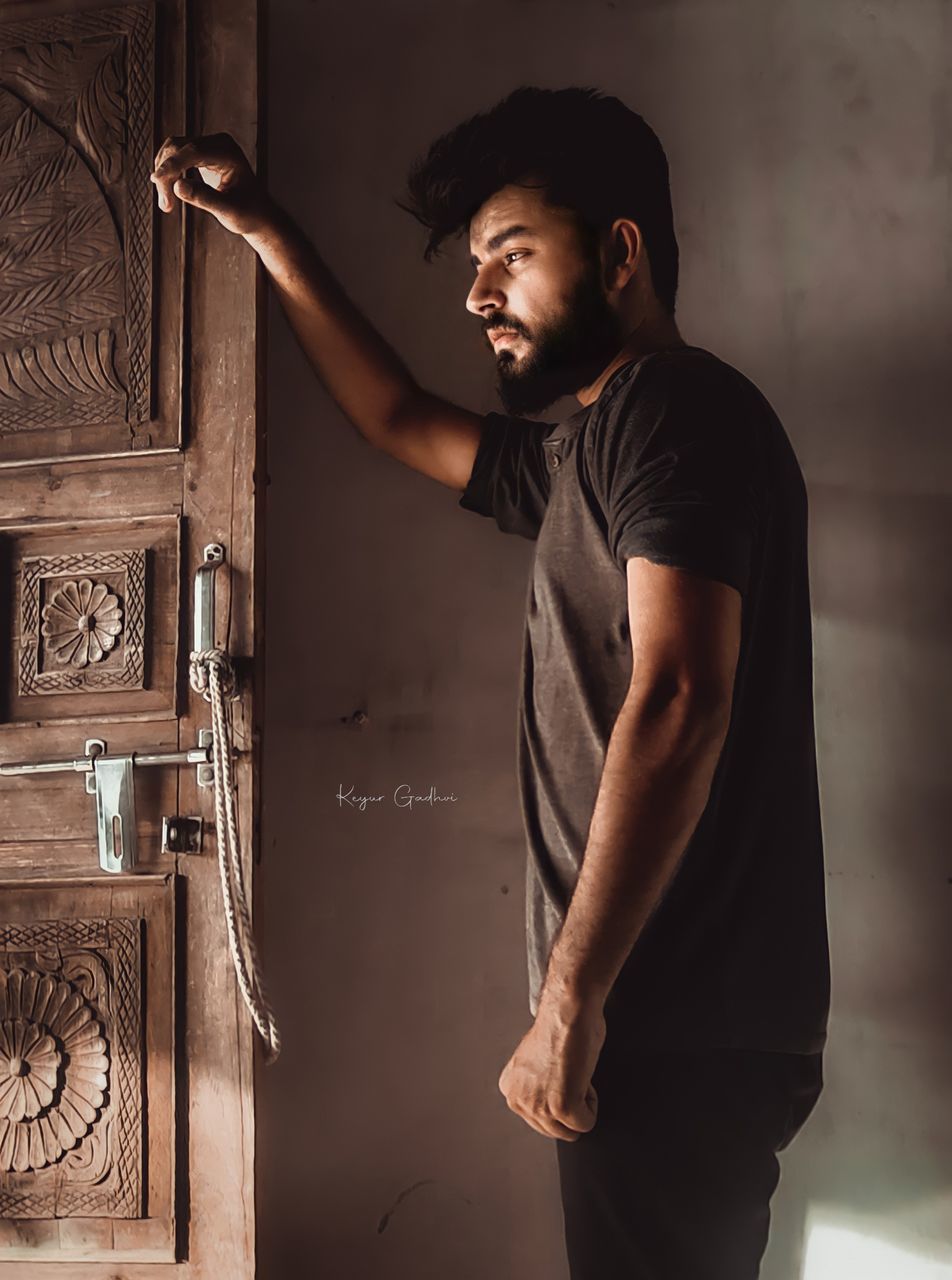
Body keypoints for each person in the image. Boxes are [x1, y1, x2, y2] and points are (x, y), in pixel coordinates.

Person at [152, 85, 830, 1279]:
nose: (476, 296)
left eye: (509, 256)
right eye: (474, 264)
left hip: (670, 1017)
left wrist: (569, 1006)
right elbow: (397, 415)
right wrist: (263, 228)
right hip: (664, 1018)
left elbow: (680, 700)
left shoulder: (672, 413)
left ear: (620, 252)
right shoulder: (587, 448)